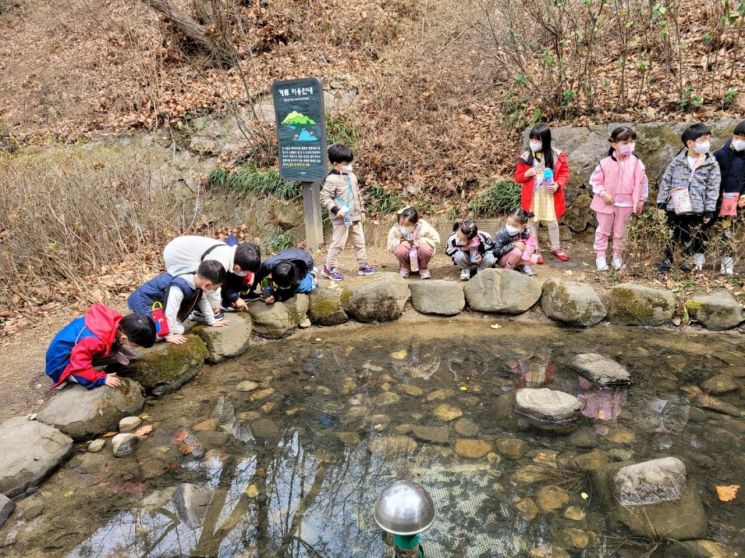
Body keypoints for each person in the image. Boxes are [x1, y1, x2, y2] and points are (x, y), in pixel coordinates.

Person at [656, 123, 721, 273]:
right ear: (690, 143)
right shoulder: (677, 161)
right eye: (703, 140)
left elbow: (713, 188)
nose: (707, 143)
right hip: (675, 205)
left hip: (696, 207)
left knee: (688, 235)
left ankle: (685, 261)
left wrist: (709, 209)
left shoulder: (711, 164)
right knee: (671, 234)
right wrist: (661, 203)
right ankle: (667, 261)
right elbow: (666, 181)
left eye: (708, 139)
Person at [45, 303, 156, 390]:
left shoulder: (116, 321)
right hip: (60, 363)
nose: (135, 347)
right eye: (136, 345)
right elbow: (79, 365)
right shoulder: (95, 340)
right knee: (80, 373)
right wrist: (101, 378)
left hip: (77, 348)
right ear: (123, 338)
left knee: (118, 355)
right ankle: (68, 377)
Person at [589, 126, 649, 271]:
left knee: (621, 232)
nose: (629, 145)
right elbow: (595, 181)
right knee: (603, 230)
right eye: (625, 143)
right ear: (614, 144)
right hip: (606, 203)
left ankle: (617, 256)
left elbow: (642, 182)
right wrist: (603, 193)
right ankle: (601, 256)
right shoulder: (604, 163)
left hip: (627, 204)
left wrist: (641, 200)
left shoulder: (636, 163)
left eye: (632, 142)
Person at [128, 260, 227, 344]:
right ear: (207, 285)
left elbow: (203, 302)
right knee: (160, 334)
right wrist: (169, 336)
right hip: (144, 301)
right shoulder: (178, 287)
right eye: (215, 288)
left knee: (179, 330)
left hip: (159, 303)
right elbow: (170, 312)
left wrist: (212, 321)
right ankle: (135, 328)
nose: (214, 291)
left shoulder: (196, 280)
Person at [514, 123, 571, 261]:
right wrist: (527, 173)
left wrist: (558, 184)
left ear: (545, 141)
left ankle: (556, 248)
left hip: (549, 194)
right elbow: (518, 177)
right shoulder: (526, 156)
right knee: (532, 222)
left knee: (552, 222)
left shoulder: (557, 155)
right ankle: (535, 249)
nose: (533, 143)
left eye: (537, 140)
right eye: (532, 139)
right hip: (532, 196)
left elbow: (564, 173)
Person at [163, 236, 261, 316]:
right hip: (178, 255)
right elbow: (212, 288)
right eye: (247, 272)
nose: (247, 275)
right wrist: (215, 306)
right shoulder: (220, 260)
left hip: (180, 246)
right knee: (200, 283)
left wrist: (233, 298)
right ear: (238, 268)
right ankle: (197, 312)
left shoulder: (231, 253)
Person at [319, 144, 375, 281]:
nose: (349, 165)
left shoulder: (352, 176)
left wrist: (362, 210)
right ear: (335, 164)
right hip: (340, 218)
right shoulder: (332, 179)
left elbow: (358, 194)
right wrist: (336, 210)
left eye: (350, 162)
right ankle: (329, 268)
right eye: (345, 163)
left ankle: (363, 265)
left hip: (354, 217)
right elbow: (324, 197)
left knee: (360, 242)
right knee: (338, 244)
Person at [713, 120, 745, 275]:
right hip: (720, 200)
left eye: (743, 138)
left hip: (738, 201)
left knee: (732, 231)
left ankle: (730, 263)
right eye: (737, 136)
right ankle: (723, 263)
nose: (739, 140)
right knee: (723, 230)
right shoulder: (722, 152)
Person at [386, 207, 441, 279]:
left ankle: (423, 268)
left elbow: (436, 241)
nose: (402, 227)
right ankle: (405, 268)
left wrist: (420, 241)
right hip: (406, 256)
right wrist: (400, 241)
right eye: (401, 223)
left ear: (415, 225)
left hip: (420, 255)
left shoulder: (425, 228)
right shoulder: (395, 229)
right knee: (400, 250)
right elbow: (389, 245)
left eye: (406, 225)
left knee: (425, 249)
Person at [251, 248, 316, 303]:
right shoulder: (268, 264)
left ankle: (311, 276)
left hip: (306, 260)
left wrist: (276, 296)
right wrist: (249, 291)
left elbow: (291, 290)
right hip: (289, 254)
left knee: (303, 287)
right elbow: (257, 274)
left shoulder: (299, 273)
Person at [493, 208, 539, 276]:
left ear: (523, 226)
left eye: (514, 225)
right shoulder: (502, 233)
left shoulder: (526, 232)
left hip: (517, 256)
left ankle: (521, 266)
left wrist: (530, 250)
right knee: (517, 251)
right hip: (502, 259)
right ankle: (507, 270)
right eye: (508, 223)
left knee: (533, 259)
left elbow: (530, 244)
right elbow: (496, 252)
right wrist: (513, 244)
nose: (509, 227)